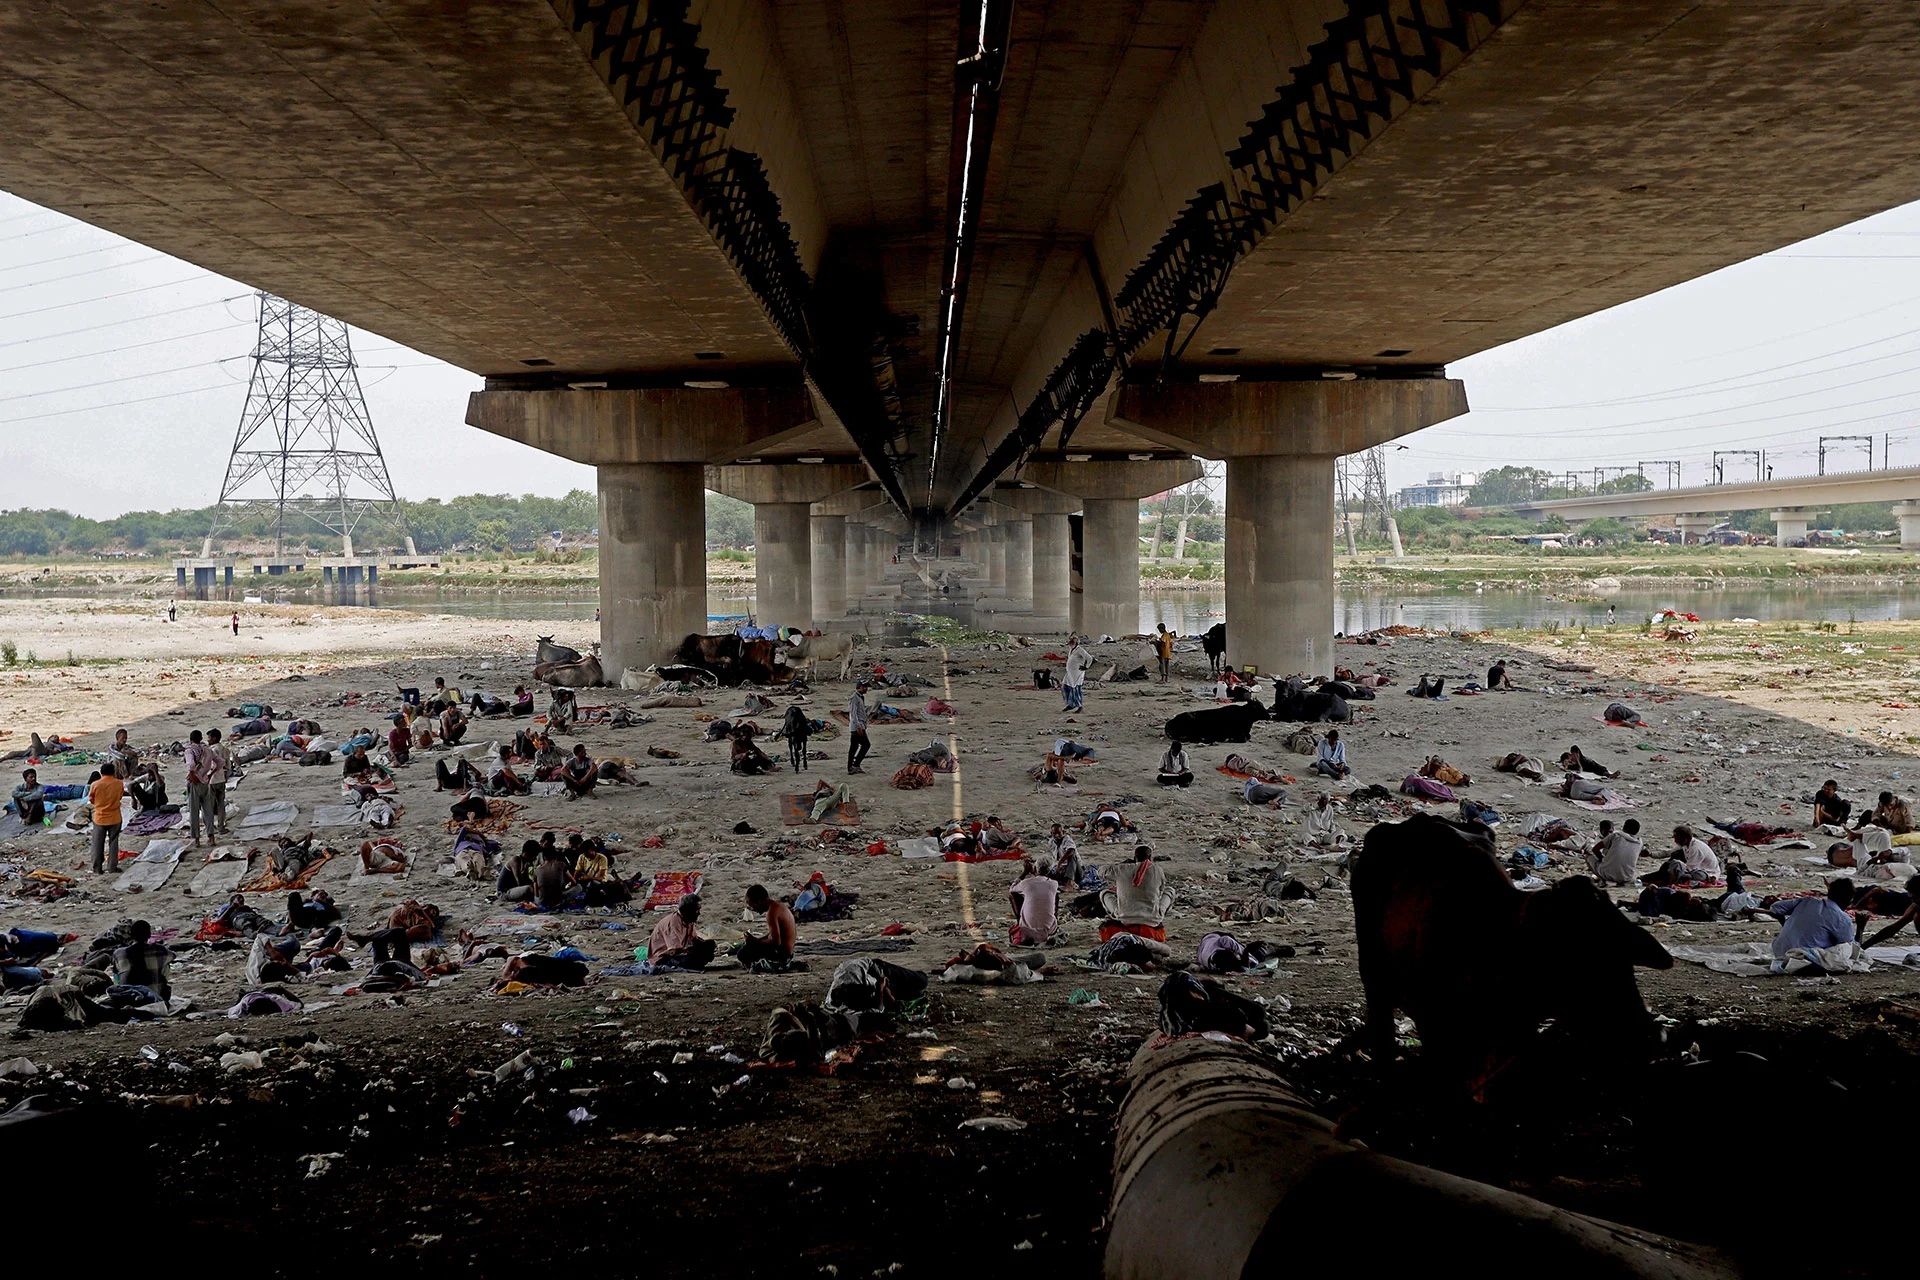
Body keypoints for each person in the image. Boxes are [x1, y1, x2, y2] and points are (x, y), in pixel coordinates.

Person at [1770, 878, 1857, 968]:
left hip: (1779, 952)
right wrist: (1861, 929)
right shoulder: (1842, 918)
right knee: (1847, 947)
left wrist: (1786, 925)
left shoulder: (1808, 901)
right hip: (1802, 958)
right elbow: (1851, 947)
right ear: (1849, 901)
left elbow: (1775, 907)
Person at [1100, 845, 1173, 930]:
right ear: (1150, 857)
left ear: (1135, 858)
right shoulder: (1157, 870)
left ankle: (1113, 916)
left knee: (1104, 893)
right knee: (1170, 891)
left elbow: (1101, 871)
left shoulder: (1122, 868)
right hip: (1153, 919)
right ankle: (1161, 915)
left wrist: (1122, 864)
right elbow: (1161, 891)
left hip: (1125, 918)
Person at [111, 919, 172, 1004]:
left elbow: (116, 974)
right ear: (149, 935)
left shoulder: (119, 953)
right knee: (165, 964)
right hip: (155, 999)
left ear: (131, 935)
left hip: (127, 1000)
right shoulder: (160, 950)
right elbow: (172, 956)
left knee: (118, 970)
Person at [360, 900, 439, 965]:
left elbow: (432, 926)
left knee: (401, 933)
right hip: (398, 920)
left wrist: (423, 912)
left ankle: (368, 938)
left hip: (400, 926)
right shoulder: (414, 906)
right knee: (398, 934)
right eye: (430, 910)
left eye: (433, 914)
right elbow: (403, 903)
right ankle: (368, 938)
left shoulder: (425, 921)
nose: (430, 913)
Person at [737, 884, 797, 968]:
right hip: (787, 952)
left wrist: (755, 942)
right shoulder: (780, 907)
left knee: (743, 953)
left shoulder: (772, 912)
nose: (753, 909)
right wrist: (756, 940)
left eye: (752, 905)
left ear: (759, 901)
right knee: (747, 947)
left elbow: (776, 942)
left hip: (782, 955)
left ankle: (755, 966)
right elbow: (772, 936)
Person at [650, 894, 716, 970]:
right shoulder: (674, 923)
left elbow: (694, 939)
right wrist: (694, 953)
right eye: (697, 910)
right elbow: (674, 951)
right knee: (692, 960)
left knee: (710, 944)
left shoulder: (688, 920)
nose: (699, 913)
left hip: (677, 954)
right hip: (663, 959)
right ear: (689, 911)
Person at [1859, 873, 1920, 948]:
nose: (1913, 900)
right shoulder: (1915, 906)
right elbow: (1893, 929)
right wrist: (1863, 947)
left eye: (1915, 897)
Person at [1646, 824, 1720, 885]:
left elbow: (1690, 868)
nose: (1675, 841)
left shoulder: (1696, 849)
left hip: (1706, 873)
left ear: (1685, 839)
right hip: (1693, 869)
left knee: (1680, 870)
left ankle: (1665, 882)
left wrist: (1675, 867)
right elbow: (1668, 853)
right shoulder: (1686, 845)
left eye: (1676, 838)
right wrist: (1651, 854)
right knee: (1671, 863)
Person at [1008, 861, 1061, 945]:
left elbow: (1012, 888)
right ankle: (1053, 924)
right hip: (1049, 930)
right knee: (1055, 895)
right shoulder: (1054, 884)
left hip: (1026, 930)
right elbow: (1043, 883)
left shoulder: (1027, 882)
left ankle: (1020, 922)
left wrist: (1024, 873)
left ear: (1036, 869)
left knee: (1014, 895)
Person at [87, 763, 124, 875]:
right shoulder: (119, 783)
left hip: (100, 817)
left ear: (101, 772)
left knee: (97, 843)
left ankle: (97, 868)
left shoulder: (95, 784)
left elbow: (92, 799)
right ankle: (112, 867)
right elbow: (120, 796)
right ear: (113, 772)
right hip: (115, 817)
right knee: (113, 842)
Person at [182, 729, 217, 845]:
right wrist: (210, 774)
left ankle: (197, 839)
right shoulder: (207, 750)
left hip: (195, 783)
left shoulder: (189, 750)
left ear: (191, 739)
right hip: (205, 782)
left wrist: (193, 777)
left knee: (194, 812)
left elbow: (191, 765)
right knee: (208, 811)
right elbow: (220, 762)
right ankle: (211, 837)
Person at [1585, 817, 1644, 885]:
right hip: (1627, 877)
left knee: (1588, 856)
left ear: (1624, 828)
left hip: (1608, 875)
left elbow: (1595, 849)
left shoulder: (1616, 836)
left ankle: (1603, 879)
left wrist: (1601, 859)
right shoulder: (1639, 842)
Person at [205, 728, 232, 836]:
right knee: (221, 804)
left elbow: (212, 766)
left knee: (210, 806)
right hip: (221, 779)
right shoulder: (224, 749)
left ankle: (210, 827)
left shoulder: (211, 750)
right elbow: (228, 765)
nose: (208, 740)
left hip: (212, 780)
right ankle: (221, 826)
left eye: (209, 737)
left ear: (214, 738)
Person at [1061, 636, 1092, 713]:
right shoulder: (1071, 649)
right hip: (1070, 672)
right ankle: (1071, 704)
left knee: (1075, 688)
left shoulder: (1080, 650)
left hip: (1077, 673)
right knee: (1065, 686)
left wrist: (1086, 667)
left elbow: (1089, 658)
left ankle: (1079, 705)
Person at [847, 681, 872, 774]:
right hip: (857, 727)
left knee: (855, 747)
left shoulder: (859, 697)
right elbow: (853, 714)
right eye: (865, 687)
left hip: (859, 726)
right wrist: (858, 727)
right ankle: (853, 766)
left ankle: (853, 766)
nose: (866, 689)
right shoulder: (855, 698)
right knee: (864, 745)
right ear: (860, 687)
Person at [781, 704, 812, 775]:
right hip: (794, 730)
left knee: (799, 746)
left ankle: (801, 762)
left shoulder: (801, 725)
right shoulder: (793, 726)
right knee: (797, 746)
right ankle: (794, 760)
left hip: (796, 730)